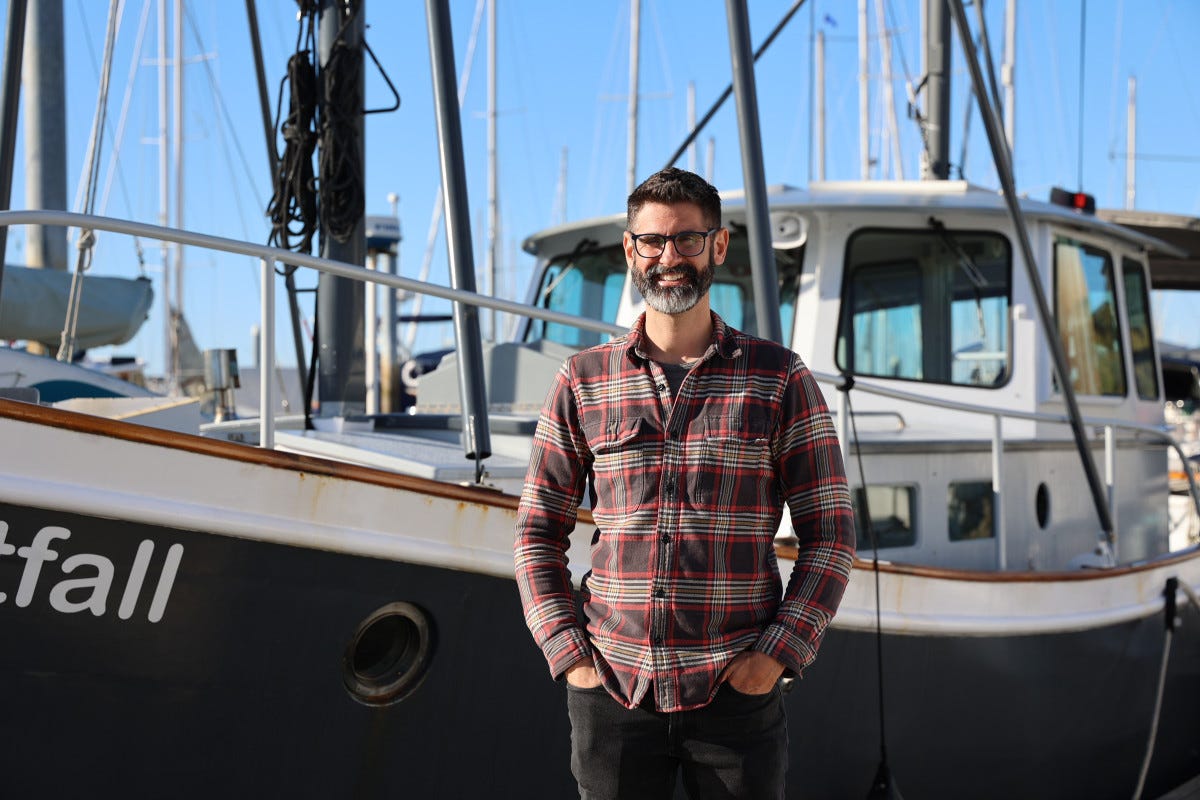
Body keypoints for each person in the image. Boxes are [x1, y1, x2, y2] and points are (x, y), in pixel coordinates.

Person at [514, 167, 855, 799]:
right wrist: (570, 656)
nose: (670, 257)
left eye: (688, 240)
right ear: (630, 250)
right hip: (612, 692)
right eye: (653, 242)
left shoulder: (779, 380)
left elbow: (831, 535)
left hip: (736, 697)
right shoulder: (583, 380)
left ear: (717, 247)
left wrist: (774, 658)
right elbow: (536, 533)